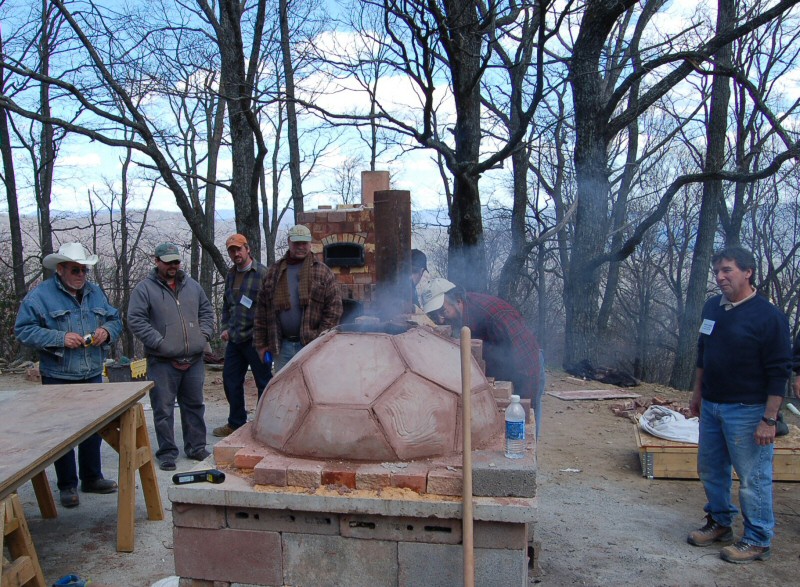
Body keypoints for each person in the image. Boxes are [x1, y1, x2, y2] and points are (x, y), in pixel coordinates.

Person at [687, 245, 791, 564]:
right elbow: (703, 353)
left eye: (727, 270)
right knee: (711, 469)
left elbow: (778, 372)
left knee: (752, 477)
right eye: (717, 271)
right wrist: (697, 393)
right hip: (713, 406)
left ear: (748, 272)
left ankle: (758, 538)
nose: (719, 277)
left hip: (748, 411)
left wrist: (769, 420)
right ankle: (720, 523)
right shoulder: (713, 308)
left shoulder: (768, 317)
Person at [14, 242, 123, 508]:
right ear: (60, 269)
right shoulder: (40, 297)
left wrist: (107, 332)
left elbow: (116, 319)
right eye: (76, 269)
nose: (81, 275)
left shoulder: (95, 293)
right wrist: (59, 338)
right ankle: (67, 485)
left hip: (92, 372)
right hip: (58, 376)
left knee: (93, 429)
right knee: (62, 434)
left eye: (84, 270)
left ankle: (91, 477)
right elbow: (23, 331)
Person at [420, 278, 545, 438]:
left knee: (523, 431)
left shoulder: (495, 316)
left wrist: (525, 406)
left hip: (527, 367)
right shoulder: (464, 314)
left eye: (443, 311)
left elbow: (527, 359)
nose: (440, 320)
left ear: (458, 300)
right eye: (434, 315)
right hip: (503, 370)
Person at [127, 242, 215, 471]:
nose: (173, 266)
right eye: (168, 262)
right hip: (162, 361)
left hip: (194, 359)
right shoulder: (145, 289)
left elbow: (207, 311)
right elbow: (136, 319)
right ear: (157, 262)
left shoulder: (192, 287)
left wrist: (203, 335)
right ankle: (167, 452)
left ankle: (196, 447)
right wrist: (159, 342)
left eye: (175, 261)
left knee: (194, 405)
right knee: (163, 409)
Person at [254, 224, 343, 373]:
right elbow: (261, 311)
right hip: (281, 347)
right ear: (289, 242)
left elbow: (334, 309)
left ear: (310, 244)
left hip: (312, 345)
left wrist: (320, 338)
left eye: (304, 243)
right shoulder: (273, 272)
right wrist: (261, 344)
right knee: (284, 390)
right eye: (296, 243)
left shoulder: (323, 272)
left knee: (313, 388)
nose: (300, 247)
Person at [212, 234, 272, 438]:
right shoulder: (231, 275)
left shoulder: (263, 273)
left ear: (248, 249)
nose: (236, 253)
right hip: (236, 339)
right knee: (230, 380)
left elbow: (273, 308)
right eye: (231, 250)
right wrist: (225, 327)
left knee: (263, 382)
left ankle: (264, 425)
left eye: (239, 249)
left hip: (257, 340)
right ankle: (236, 423)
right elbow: (227, 305)